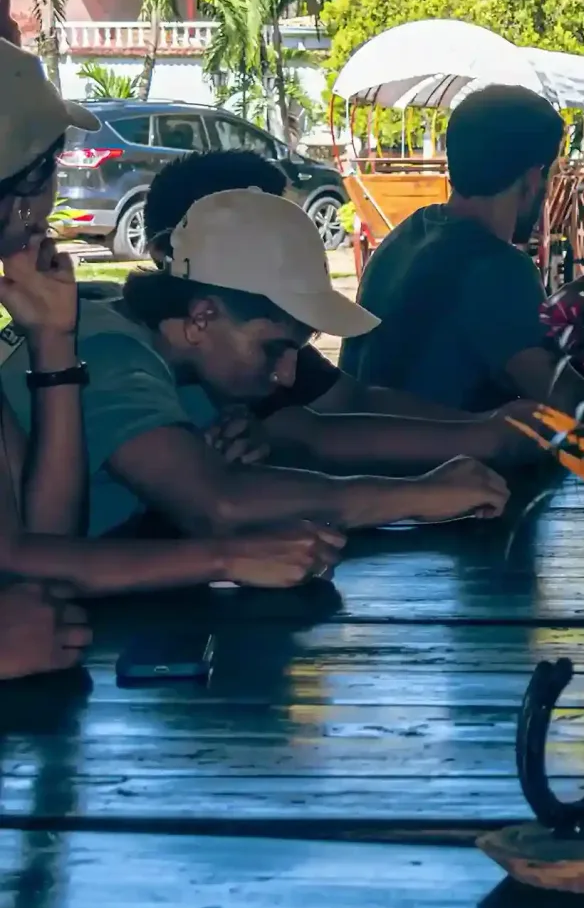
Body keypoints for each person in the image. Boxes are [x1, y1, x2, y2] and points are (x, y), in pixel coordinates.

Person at [0, 40, 346, 590]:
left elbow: (41, 548)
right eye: (52, 176)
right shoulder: (114, 344)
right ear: (23, 195)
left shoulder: (76, 324)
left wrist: (53, 345)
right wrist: (221, 558)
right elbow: (24, 562)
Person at [2, 185, 508, 537]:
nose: (286, 374)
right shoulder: (110, 354)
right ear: (202, 316)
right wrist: (419, 496)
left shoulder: (172, 355)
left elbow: (304, 434)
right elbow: (218, 504)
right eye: (275, 349)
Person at [141, 149, 538, 476]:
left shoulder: (266, 340)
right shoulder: (145, 357)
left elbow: (353, 399)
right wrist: (485, 437)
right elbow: (309, 437)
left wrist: (486, 423)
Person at [340, 85, 584, 414]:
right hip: (437, 463)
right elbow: (569, 402)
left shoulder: (405, 236)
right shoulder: (499, 267)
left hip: (364, 455)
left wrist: (553, 313)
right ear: (534, 179)